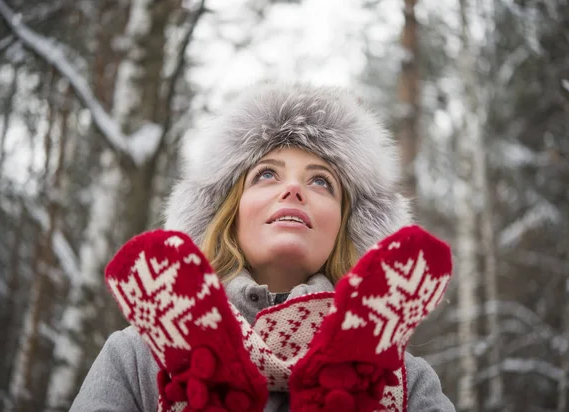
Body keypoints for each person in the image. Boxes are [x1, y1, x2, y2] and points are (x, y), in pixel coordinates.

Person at [70, 82, 456, 411]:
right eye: (267, 174)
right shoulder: (138, 356)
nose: (293, 189)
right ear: (228, 213)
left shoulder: (407, 381)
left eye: (321, 181)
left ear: (345, 227)